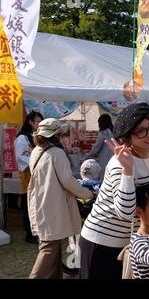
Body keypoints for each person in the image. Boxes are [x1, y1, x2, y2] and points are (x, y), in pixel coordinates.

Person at [79, 102, 149, 279]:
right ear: (127, 138)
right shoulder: (119, 164)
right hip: (101, 242)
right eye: (141, 131)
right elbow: (125, 212)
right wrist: (128, 171)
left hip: (128, 242)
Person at [27, 118, 94, 278]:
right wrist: (88, 194)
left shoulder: (36, 150)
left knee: (52, 247)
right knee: (49, 248)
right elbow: (68, 181)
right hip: (53, 206)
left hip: (40, 203)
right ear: (56, 134)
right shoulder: (56, 153)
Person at [13, 110, 43, 244]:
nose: (40, 124)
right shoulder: (22, 138)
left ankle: (36, 232)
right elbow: (22, 157)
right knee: (28, 205)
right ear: (30, 122)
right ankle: (29, 234)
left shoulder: (35, 136)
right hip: (28, 177)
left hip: (37, 176)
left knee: (37, 206)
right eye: (38, 121)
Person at [82, 114, 114, 179]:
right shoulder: (114, 132)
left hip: (105, 162)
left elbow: (96, 148)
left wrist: (86, 156)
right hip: (114, 160)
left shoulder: (103, 133)